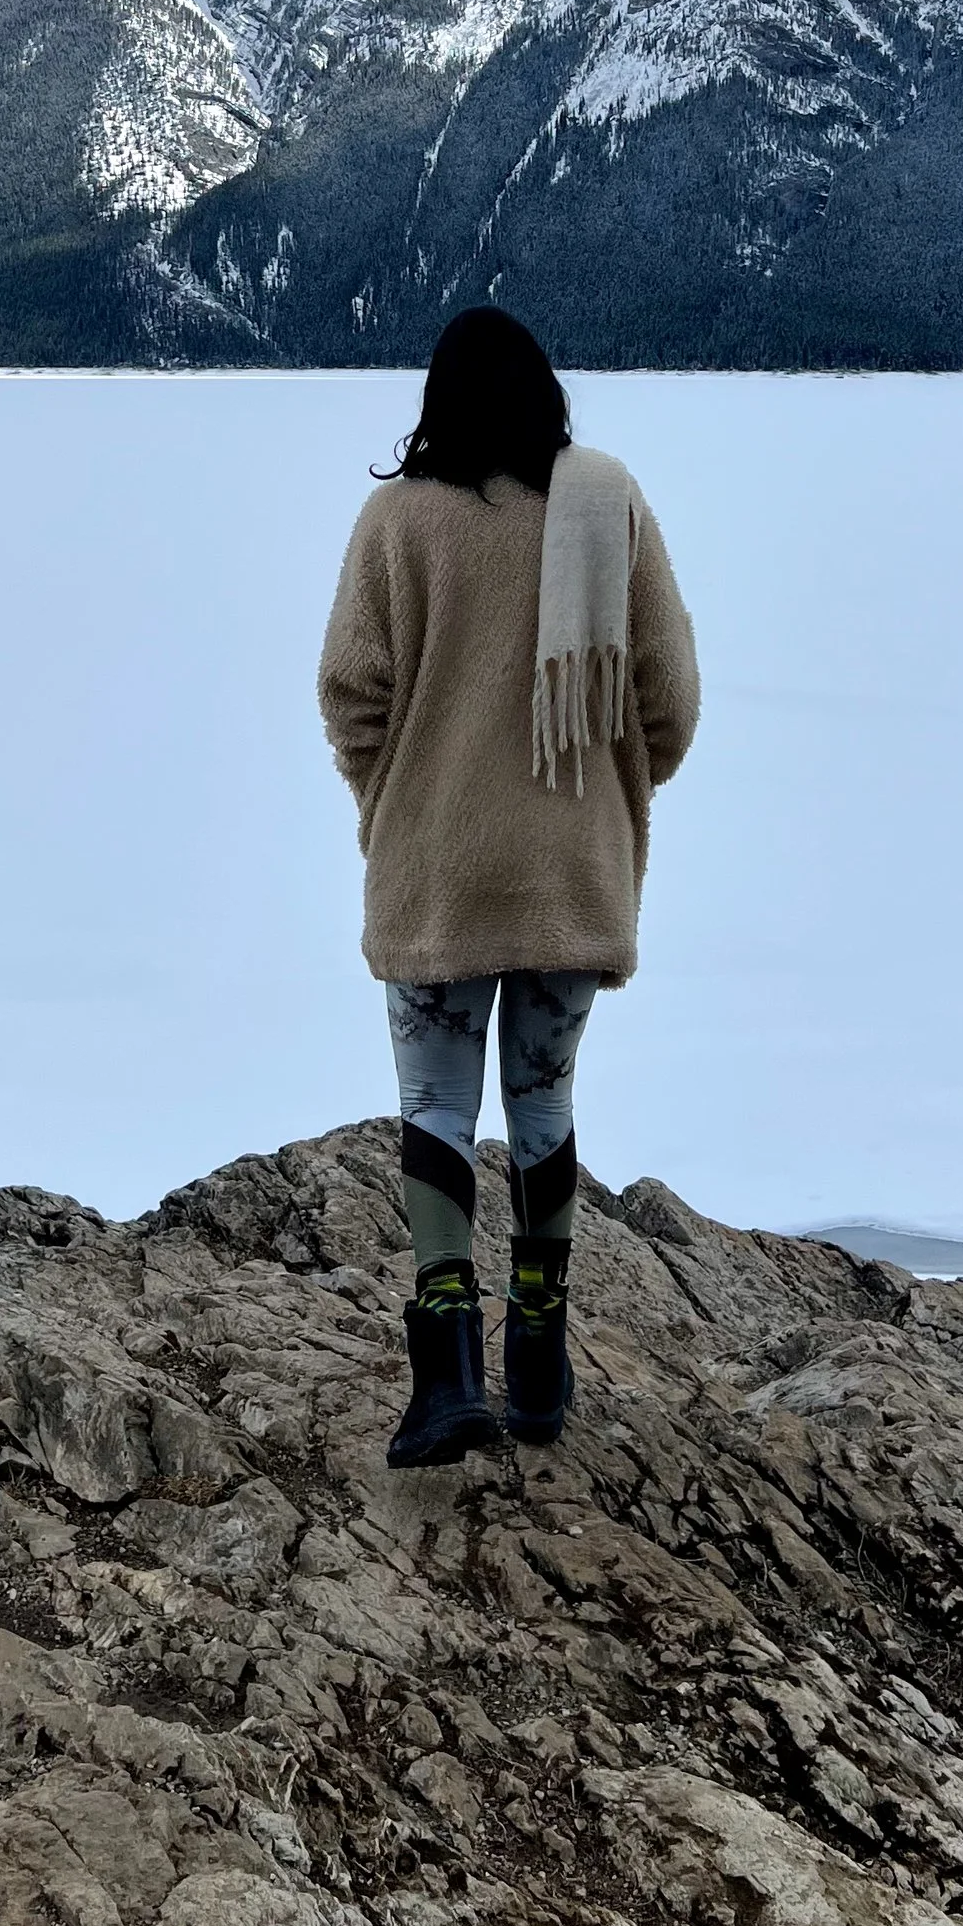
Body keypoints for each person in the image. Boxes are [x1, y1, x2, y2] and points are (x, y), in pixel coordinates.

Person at [317, 308, 700, 1468]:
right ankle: (539, 1356)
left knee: (436, 1110)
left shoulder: (395, 520)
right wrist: (599, 792)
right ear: (545, 399)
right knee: (542, 1105)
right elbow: (668, 700)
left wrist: (398, 800)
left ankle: (447, 1375)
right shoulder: (608, 505)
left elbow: (351, 696)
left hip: (435, 868)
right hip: (566, 872)